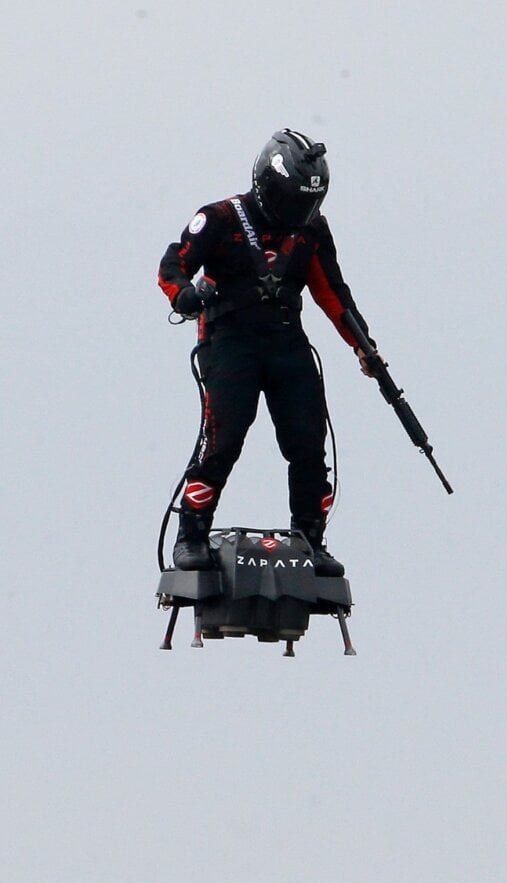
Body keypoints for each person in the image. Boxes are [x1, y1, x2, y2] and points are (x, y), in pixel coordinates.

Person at [158, 128, 376, 577]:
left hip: (286, 343)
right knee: (224, 440)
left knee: (309, 445)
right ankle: (192, 533)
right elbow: (172, 266)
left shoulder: (311, 229)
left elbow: (331, 291)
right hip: (231, 344)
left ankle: (311, 539)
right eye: (293, 200)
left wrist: (363, 345)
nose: (300, 212)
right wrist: (182, 296)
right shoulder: (219, 217)